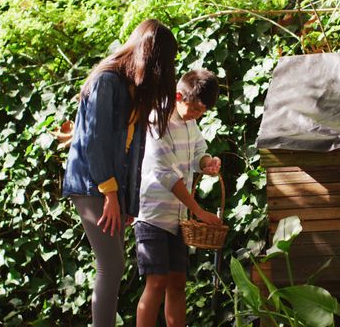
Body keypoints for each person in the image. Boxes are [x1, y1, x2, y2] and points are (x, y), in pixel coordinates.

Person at [61, 19, 178, 327]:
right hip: (92, 185)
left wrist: (127, 200)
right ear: (149, 54)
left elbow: (134, 151)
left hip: (110, 189)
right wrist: (111, 193)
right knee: (111, 266)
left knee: (113, 265)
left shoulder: (134, 90)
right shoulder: (107, 81)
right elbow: (95, 141)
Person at [134, 69, 224, 327]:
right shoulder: (157, 121)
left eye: (203, 111)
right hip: (152, 215)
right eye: (195, 109)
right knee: (157, 282)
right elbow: (165, 174)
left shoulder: (190, 122)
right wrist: (198, 210)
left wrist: (207, 163)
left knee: (178, 283)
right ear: (178, 96)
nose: (198, 115)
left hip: (178, 217)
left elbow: (199, 151)